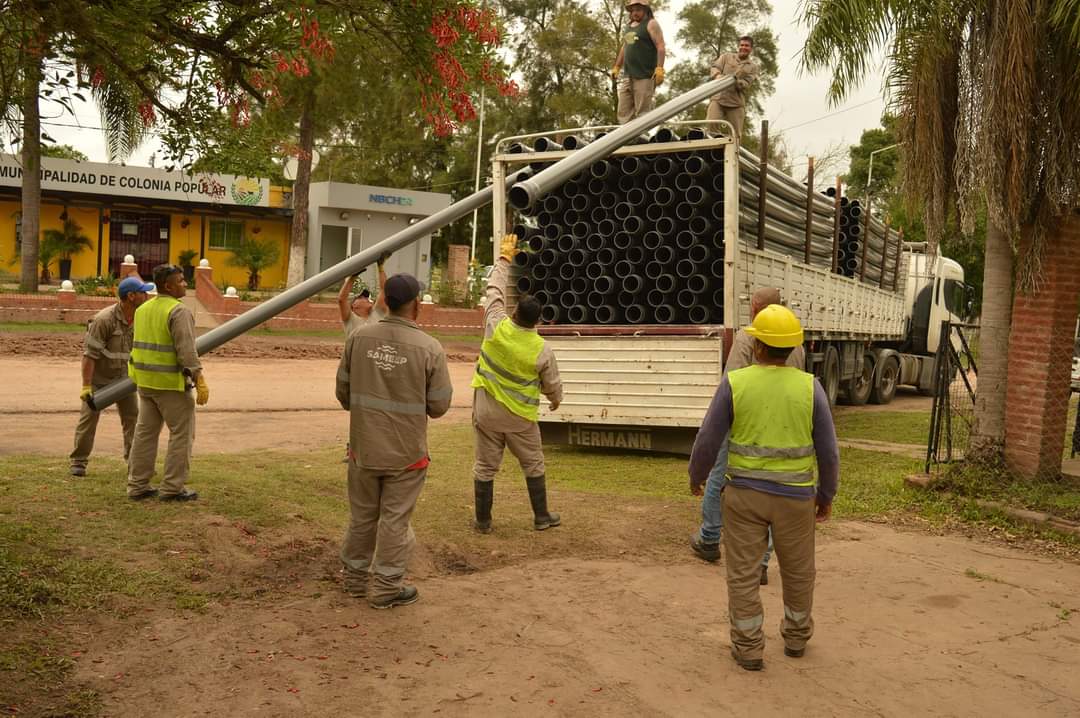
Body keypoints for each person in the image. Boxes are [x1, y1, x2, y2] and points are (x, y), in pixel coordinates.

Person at [689, 304, 839, 672]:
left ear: (756, 346)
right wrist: (826, 495)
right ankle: (797, 638)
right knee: (799, 571)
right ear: (792, 349)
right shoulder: (810, 387)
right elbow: (829, 451)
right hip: (796, 499)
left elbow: (708, 438)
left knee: (742, 573)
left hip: (744, 498)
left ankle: (749, 647)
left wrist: (697, 475)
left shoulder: (736, 383)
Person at [336, 273, 453, 609]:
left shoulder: (358, 338)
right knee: (394, 520)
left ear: (384, 300)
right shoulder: (430, 348)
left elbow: (342, 392)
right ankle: (386, 587)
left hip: (363, 449)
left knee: (362, 517)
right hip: (406, 455)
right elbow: (440, 405)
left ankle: (355, 580)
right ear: (416, 304)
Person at [690, 287, 806, 589]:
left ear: (755, 309)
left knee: (719, 476)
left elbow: (729, 383)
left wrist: (697, 468)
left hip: (744, 424)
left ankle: (710, 539)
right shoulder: (797, 343)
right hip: (782, 430)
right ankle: (762, 563)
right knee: (772, 491)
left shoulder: (747, 337)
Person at [471, 234, 563, 533]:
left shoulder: (495, 325)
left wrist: (504, 258)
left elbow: (494, 290)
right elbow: (553, 385)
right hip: (521, 420)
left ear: (514, 312)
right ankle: (541, 517)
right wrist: (555, 399)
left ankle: (483, 522)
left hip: (486, 414)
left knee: (485, 467)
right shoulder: (541, 348)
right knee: (533, 464)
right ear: (537, 322)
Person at [126, 264, 209, 502]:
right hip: (170, 384)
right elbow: (186, 350)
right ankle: (172, 488)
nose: (185, 284)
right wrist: (198, 377)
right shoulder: (178, 311)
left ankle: (137, 485)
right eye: (181, 281)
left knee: (145, 434)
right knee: (181, 434)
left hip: (145, 382)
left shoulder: (143, 309)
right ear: (167, 286)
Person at [69, 276, 153, 477]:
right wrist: (86, 386)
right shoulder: (103, 320)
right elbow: (90, 355)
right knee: (88, 420)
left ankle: (133, 463)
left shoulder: (141, 318)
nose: (147, 295)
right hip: (100, 381)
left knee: (132, 420)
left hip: (125, 380)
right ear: (131, 296)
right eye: (143, 292)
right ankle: (78, 462)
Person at [611, 1, 666, 125]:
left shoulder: (651, 24)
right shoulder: (629, 26)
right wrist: (617, 67)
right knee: (623, 112)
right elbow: (625, 48)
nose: (635, 13)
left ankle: (643, 140)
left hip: (645, 76)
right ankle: (627, 140)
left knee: (642, 114)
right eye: (633, 10)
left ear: (645, 10)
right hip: (628, 75)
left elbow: (660, 46)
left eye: (638, 10)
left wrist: (659, 69)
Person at [706, 35, 759, 140]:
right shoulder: (726, 56)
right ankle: (713, 153)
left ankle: (733, 155)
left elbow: (747, 83)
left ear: (751, 49)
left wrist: (735, 81)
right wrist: (718, 76)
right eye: (742, 45)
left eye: (747, 46)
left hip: (736, 103)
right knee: (711, 125)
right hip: (718, 98)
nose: (743, 47)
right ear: (738, 46)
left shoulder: (753, 67)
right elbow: (715, 67)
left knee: (735, 135)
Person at [338, 252, 390, 336]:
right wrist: (353, 277)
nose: (367, 299)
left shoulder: (377, 313)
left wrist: (380, 267)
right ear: (354, 305)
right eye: (362, 297)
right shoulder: (350, 320)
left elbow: (384, 290)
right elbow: (342, 299)